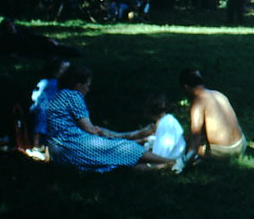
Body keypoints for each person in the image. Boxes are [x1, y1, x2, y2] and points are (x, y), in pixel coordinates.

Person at [46, 65, 179, 172]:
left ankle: (162, 167)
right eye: (87, 85)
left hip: (59, 152)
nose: (88, 89)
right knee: (126, 148)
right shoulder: (73, 96)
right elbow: (88, 129)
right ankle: (170, 162)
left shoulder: (59, 96)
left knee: (120, 162)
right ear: (78, 84)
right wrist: (99, 133)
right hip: (72, 146)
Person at [179, 68, 247, 159]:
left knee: (182, 145)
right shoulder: (218, 94)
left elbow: (195, 135)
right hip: (241, 144)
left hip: (226, 151)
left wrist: (187, 158)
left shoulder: (198, 102)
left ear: (186, 87)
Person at [28, 58, 70, 151]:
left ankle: (43, 144)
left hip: (45, 107)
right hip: (42, 107)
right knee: (40, 124)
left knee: (44, 124)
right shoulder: (48, 82)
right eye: (62, 70)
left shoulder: (52, 82)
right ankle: (36, 145)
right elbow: (39, 94)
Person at [144, 94, 186, 160]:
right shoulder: (170, 120)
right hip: (176, 158)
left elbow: (163, 153)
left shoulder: (165, 123)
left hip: (172, 162)